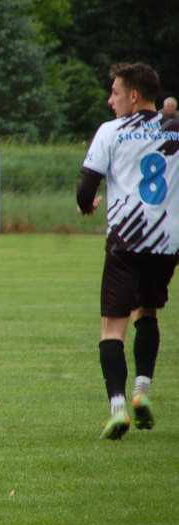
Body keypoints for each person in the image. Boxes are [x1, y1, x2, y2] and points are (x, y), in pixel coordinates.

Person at [77, 62, 179, 440]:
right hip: (167, 243)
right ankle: (142, 391)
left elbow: (85, 190)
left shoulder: (111, 132)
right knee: (147, 311)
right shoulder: (175, 128)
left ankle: (118, 407)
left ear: (133, 96)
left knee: (112, 327)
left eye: (115, 93)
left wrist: (87, 205)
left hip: (125, 241)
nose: (110, 101)